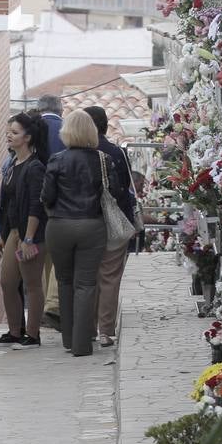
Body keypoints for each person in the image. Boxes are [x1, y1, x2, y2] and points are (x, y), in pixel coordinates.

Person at [42, 109, 134, 357]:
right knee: (86, 284)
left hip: (59, 225)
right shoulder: (104, 159)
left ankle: (68, 339)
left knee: (64, 281)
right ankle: (82, 345)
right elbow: (116, 192)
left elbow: (47, 196)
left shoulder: (57, 160)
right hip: (92, 226)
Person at [85, 106, 138, 347]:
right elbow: (124, 187)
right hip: (114, 223)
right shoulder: (115, 152)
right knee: (109, 277)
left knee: (89, 276)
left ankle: (88, 328)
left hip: (85, 221)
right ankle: (105, 330)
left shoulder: (76, 153)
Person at [0, 111, 49, 347]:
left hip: (31, 234)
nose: (9, 136)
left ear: (27, 137)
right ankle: (15, 330)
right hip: (13, 231)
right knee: (7, 282)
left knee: (32, 284)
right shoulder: (11, 164)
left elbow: (36, 205)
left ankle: (33, 333)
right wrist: (3, 233)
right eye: (8, 132)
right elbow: (6, 203)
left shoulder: (35, 167)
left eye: (14, 133)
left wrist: (29, 238)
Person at [36, 95, 66, 332]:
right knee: (58, 256)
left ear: (38, 109)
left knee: (44, 257)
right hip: (62, 204)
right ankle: (53, 306)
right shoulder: (67, 129)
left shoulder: (31, 128)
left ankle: (47, 307)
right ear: (61, 110)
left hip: (35, 201)